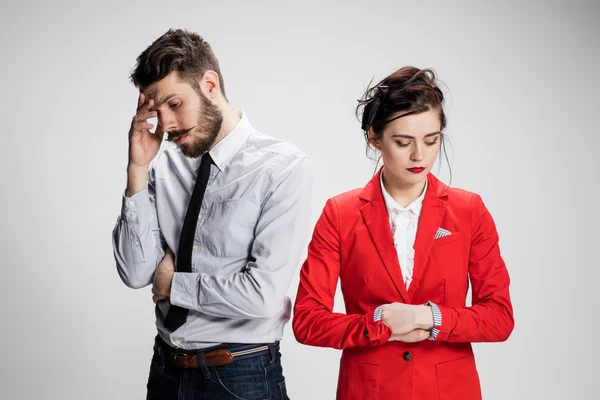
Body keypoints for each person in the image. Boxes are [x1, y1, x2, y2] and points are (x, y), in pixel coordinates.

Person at [292, 66, 514, 399]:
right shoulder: (341, 213)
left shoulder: (469, 210)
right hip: (368, 390)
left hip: (450, 390)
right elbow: (308, 322)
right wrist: (377, 321)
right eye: (402, 142)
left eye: (431, 140)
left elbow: (499, 317)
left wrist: (431, 317)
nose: (419, 156)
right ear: (374, 137)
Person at [112, 29, 311, 399]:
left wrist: (174, 285)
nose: (166, 124)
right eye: (156, 111)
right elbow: (136, 273)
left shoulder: (281, 168)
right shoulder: (164, 166)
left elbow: (261, 296)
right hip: (166, 370)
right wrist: (137, 170)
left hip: (241, 375)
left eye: (174, 103)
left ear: (209, 84)